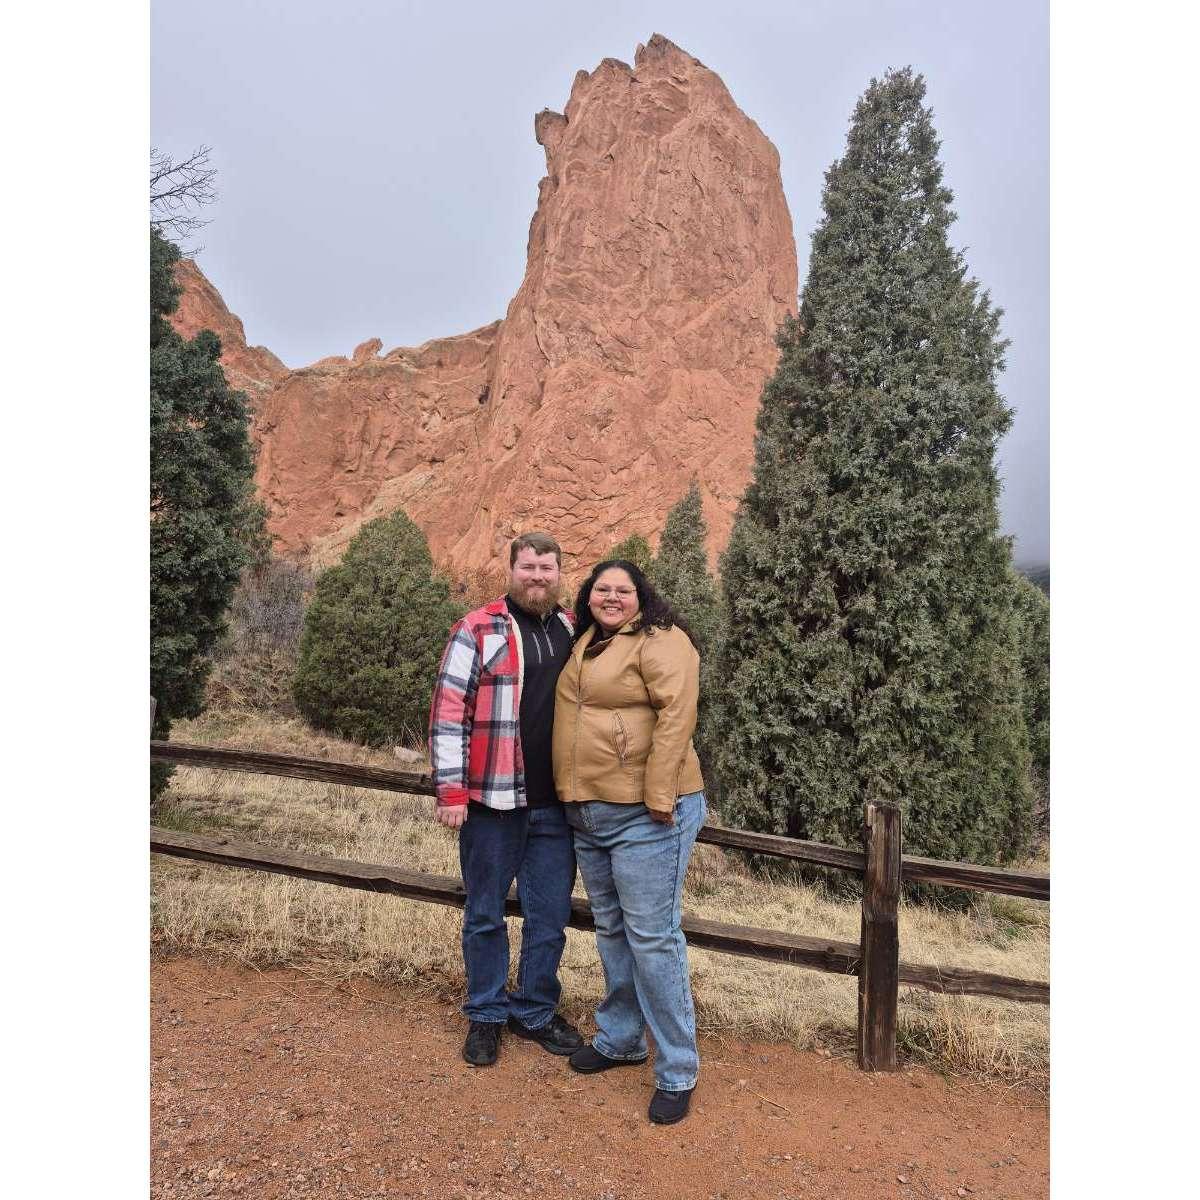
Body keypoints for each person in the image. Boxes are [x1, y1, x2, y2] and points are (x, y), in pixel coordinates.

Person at [552, 558, 707, 1125]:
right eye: (601, 588)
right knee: (614, 929)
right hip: (589, 812)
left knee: (652, 936)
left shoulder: (662, 639)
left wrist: (660, 793)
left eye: (622, 589)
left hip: (647, 814)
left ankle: (677, 1069)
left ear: (641, 596)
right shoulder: (587, 640)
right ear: (588, 596)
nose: (610, 596)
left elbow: (677, 714)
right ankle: (619, 1038)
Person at [429, 531, 584, 1067]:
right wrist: (450, 790)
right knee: (485, 913)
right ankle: (487, 1013)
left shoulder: (572, 629)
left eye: (546, 568)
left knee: (549, 917)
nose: (537, 576)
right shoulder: (479, 627)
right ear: (511, 568)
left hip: (557, 807)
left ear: (559, 572)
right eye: (528, 567)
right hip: (491, 805)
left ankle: (536, 1010)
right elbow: (450, 711)